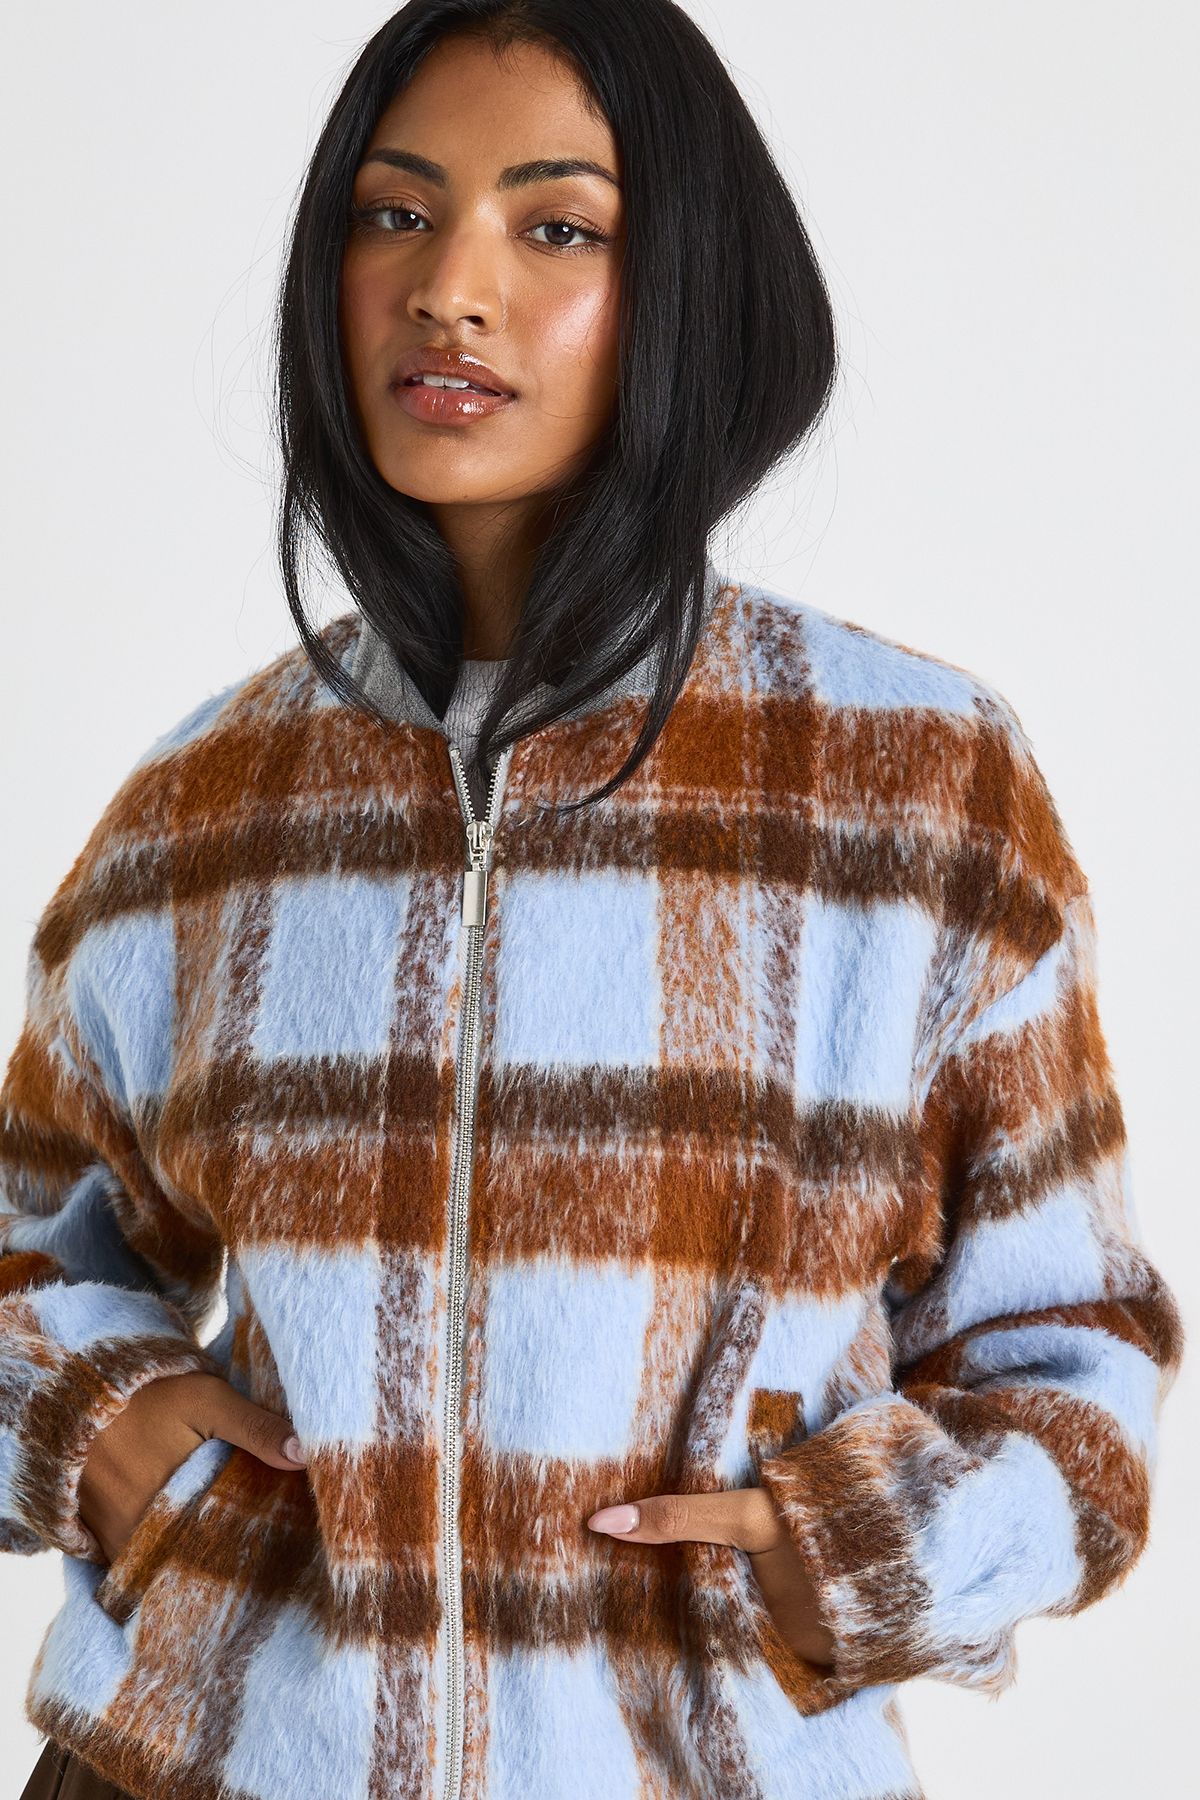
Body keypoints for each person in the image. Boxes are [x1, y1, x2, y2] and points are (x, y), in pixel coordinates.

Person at [5, 2, 1185, 1797]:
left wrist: (869, 1559)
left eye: (557, 227)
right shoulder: (208, 802)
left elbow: (1073, 1354)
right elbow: (28, 1243)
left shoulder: (912, 786)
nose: (449, 291)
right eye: (396, 214)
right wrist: (90, 1420)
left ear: (695, 285)